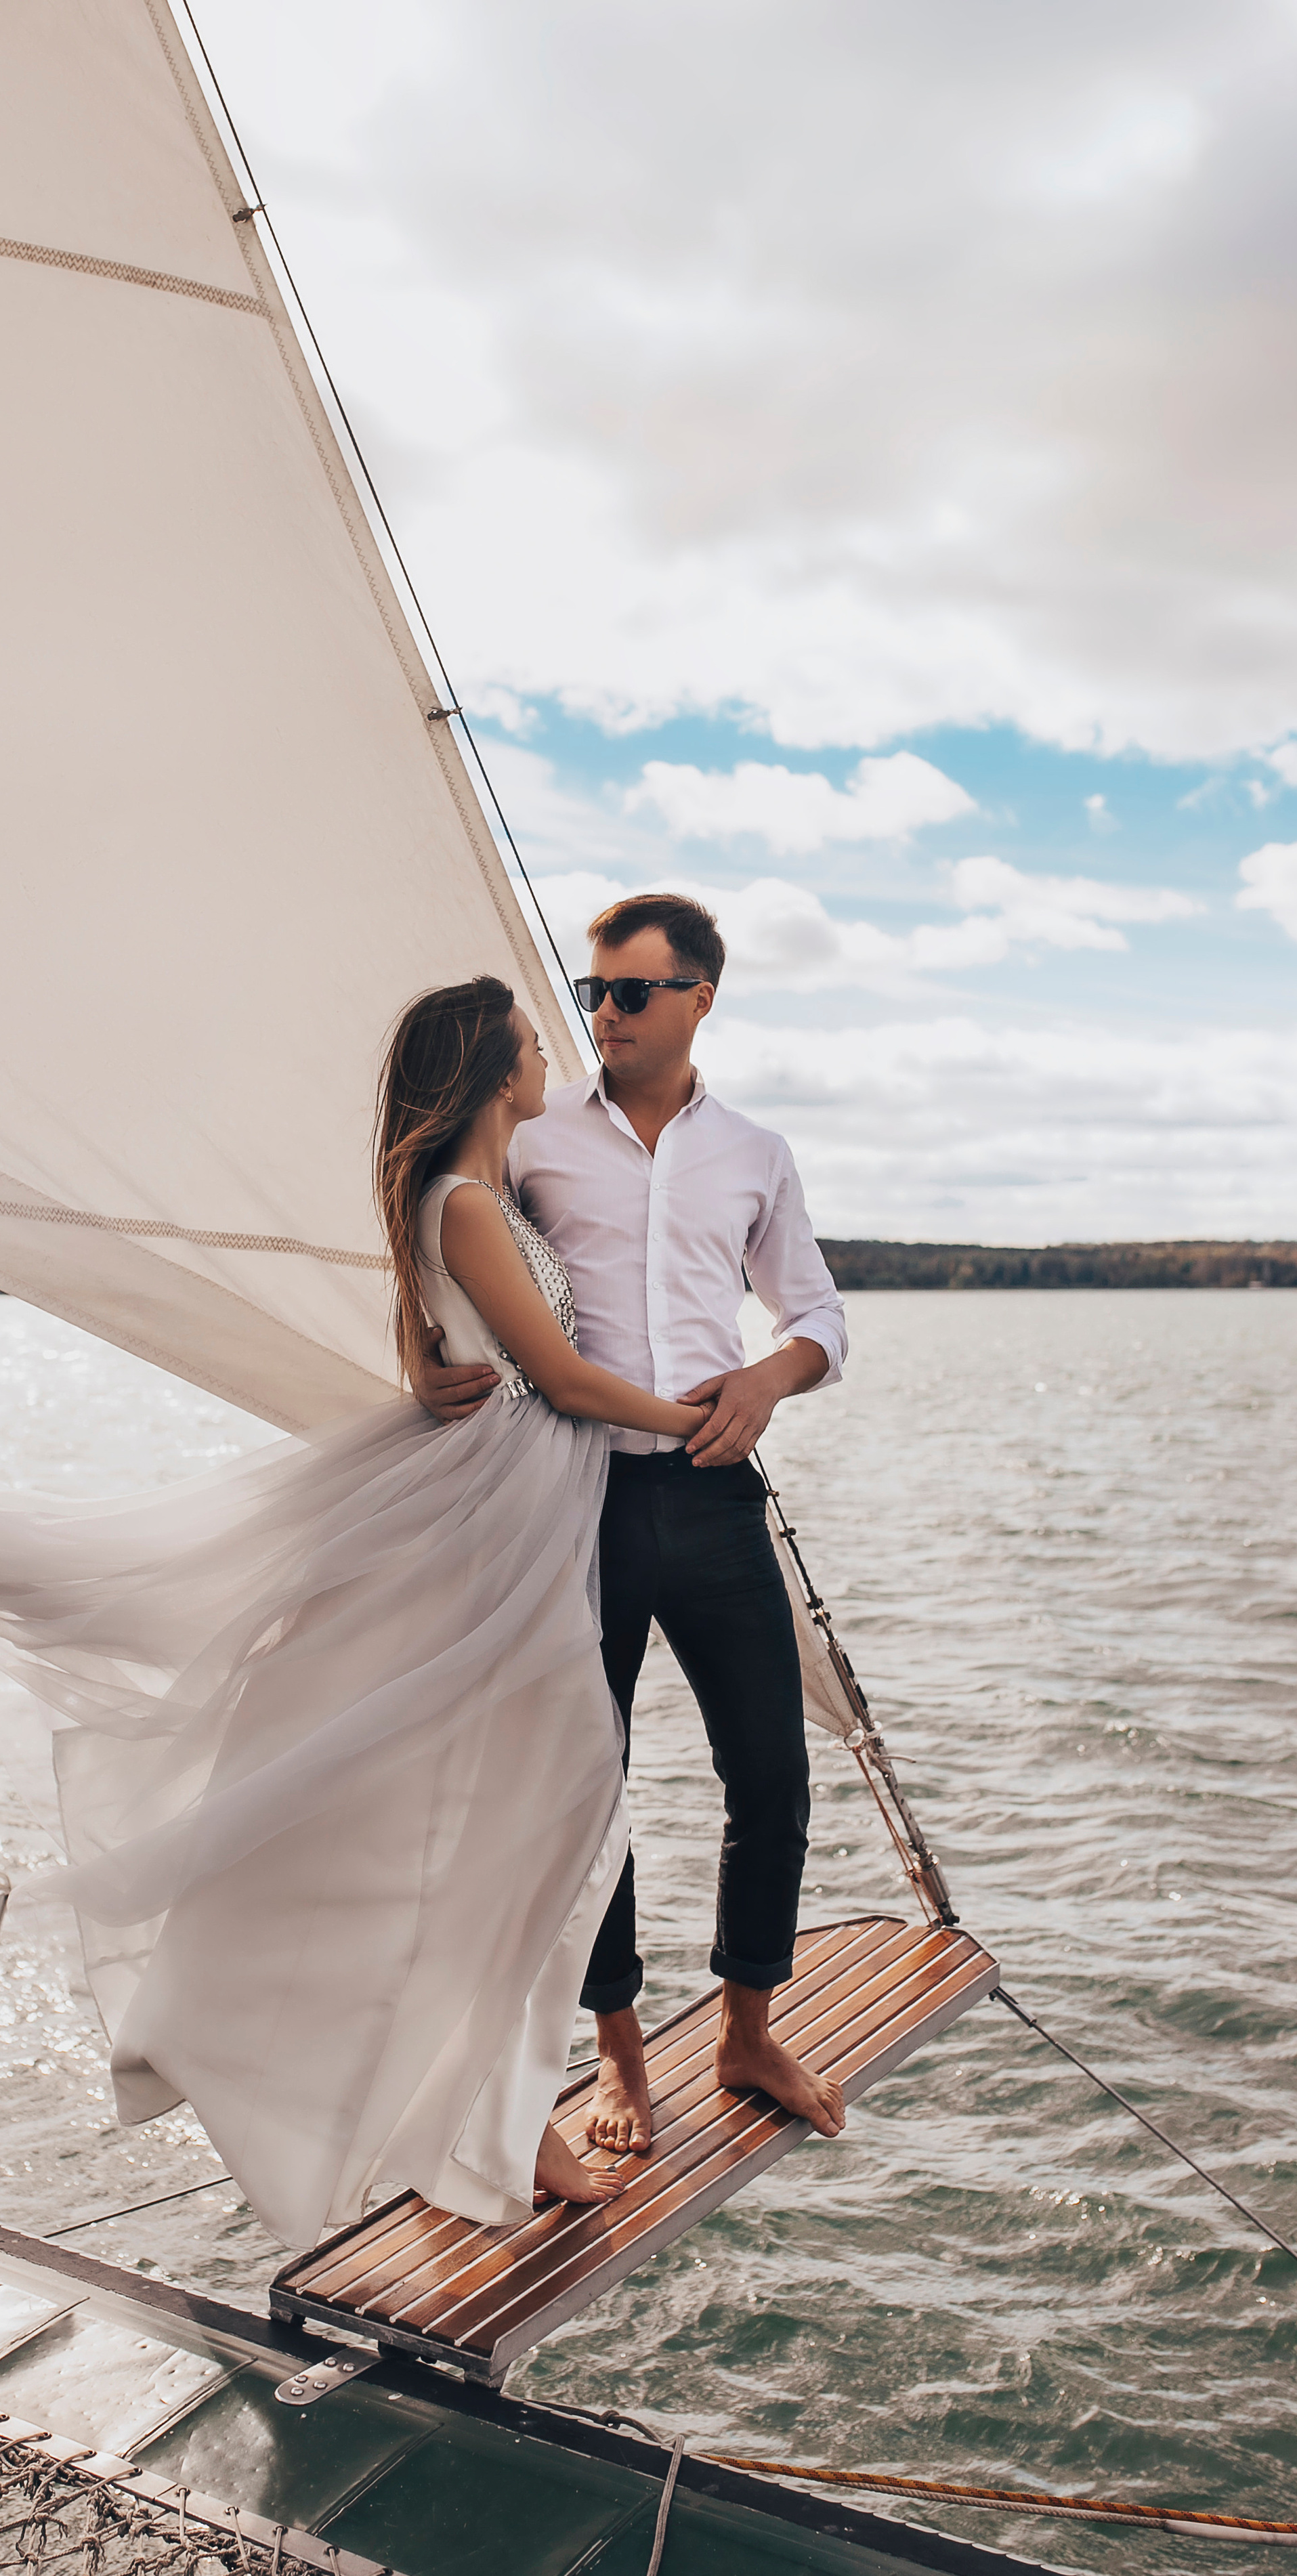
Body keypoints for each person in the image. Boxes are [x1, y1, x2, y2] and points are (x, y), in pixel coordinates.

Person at [0, 976, 709, 2252]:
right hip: (499, 1530)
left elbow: (488, 1350)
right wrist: (704, 1419)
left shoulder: (488, 1200)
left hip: (519, 1522)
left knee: (523, 1820)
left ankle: (485, 2117)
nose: (550, 1062)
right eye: (533, 1046)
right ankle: (482, 2118)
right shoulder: (466, 1204)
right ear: (488, 1070)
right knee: (547, 1805)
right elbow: (566, 1374)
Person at [414, 895, 850, 2158]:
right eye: (594, 991)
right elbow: (437, 1238)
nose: (601, 1013)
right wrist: (421, 1361)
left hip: (716, 1498)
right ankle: (619, 2061)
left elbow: (816, 1310)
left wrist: (771, 1379)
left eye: (630, 994)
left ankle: (749, 2029)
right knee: (587, 1791)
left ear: (700, 997)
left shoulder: (757, 1153)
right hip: (575, 1501)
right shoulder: (533, 1132)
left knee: (770, 1774)